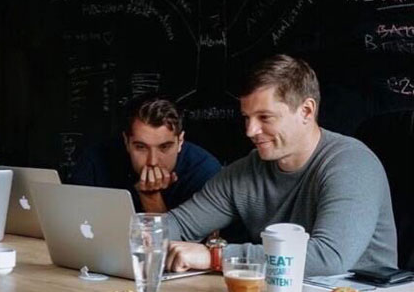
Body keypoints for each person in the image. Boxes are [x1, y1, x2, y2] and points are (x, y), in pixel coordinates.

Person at [165, 54, 397, 276]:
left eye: (265, 118)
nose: (250, 131)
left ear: (306, 111)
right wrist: (141, 233)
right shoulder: (246, 171)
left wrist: (215, 256)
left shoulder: (352, 163)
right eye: (247, 117)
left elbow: (328, 257)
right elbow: (180, 224)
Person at [70, 95, 222, 213]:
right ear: (126, 142)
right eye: (141, 147)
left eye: (164, 147)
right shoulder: (95, 159)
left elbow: (177, 248)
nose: (153, 161)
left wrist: (150, 197)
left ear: (180, 141)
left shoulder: (206, 173)